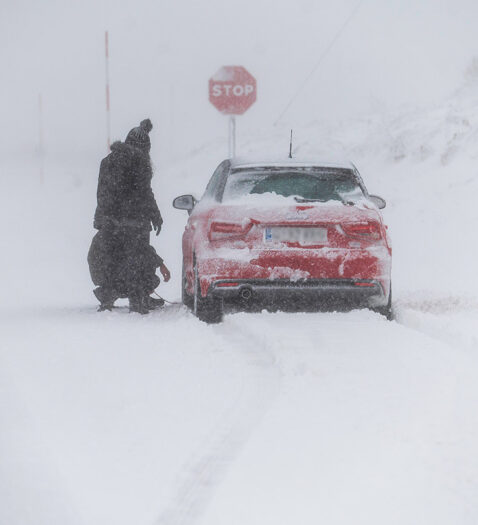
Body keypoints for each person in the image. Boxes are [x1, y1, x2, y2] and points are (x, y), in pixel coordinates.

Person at [88, 119, 171, 313]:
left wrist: (106, 218)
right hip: (136, 220)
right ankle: (138, 299)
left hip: (111, 221)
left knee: (111, 257)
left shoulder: (107, 161)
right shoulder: (140, 161)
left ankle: (107, 298)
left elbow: (101, 192)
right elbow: (145, 192)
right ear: (145, 147)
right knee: (138, 258)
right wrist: (154, 215)